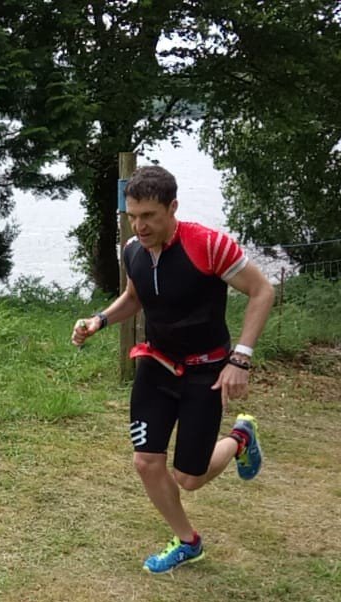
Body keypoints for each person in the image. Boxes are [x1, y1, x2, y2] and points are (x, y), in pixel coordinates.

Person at [71, 165, 276, 574]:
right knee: (146, 461)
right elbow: (134, 296)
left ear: (173, 207)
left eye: (149, 216)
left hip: (206, 371)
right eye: (132, 216)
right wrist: (100, 320)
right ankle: (189, 541)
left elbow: (261, 290)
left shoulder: (209, 246)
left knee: (190, 478)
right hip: (157, 365)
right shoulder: (133, 251)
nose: (139, 226)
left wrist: (241, 358)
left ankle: (238, 439)